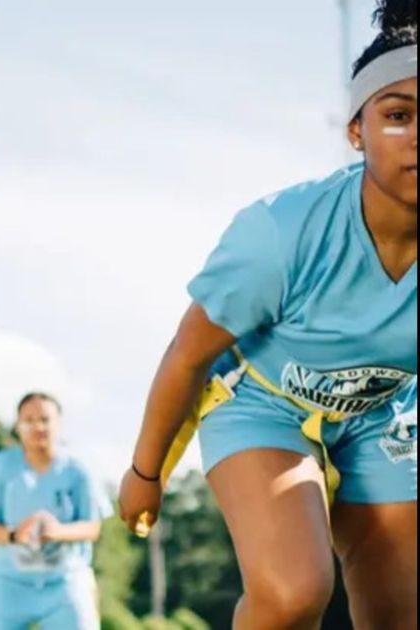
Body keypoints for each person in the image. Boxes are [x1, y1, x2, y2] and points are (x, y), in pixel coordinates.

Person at [118, 1, 418, 628]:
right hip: (261, 402)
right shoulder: (281, 233)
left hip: (380, 415)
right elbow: (188, 352)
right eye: (398, 116)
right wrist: (147, 472)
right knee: (294, 590)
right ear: (356, 129)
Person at [0, 392, 110, 629]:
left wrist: (58, 532)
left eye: (45, 419)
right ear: (18, 426)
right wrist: (15, 534)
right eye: (29, 420)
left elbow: (93, 527)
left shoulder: (79, 470)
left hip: (65, 582)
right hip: (6, 583)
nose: (38, 426)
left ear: (59, 424)